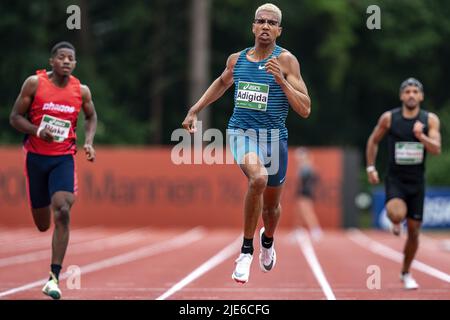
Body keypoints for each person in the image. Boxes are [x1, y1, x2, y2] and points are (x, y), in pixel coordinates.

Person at [182, 3, 311, 284]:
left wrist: (282, 81)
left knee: (271, 208)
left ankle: (268, 241)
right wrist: (194, 110)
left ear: (279, 30)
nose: (265, 26)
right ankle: (245, 250)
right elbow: (220, 82)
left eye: (271, 22)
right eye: (260, 21)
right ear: (253, 26)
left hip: (274, 138)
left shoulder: (287, 61)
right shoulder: (237, 60)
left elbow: (305, 109)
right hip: (241, 132)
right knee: (258, 179)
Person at [9, 41, 97, 299]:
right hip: (36, 158)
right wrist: (37, 130)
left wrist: (88, 142)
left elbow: (91, 116)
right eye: (62, 57)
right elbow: (14, 117)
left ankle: (54, 277)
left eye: (71, 58)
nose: (67, 62)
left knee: (63, 210)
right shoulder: (34, 84)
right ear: (52, 61)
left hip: (63, 158)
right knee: (42, 224)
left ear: (75, 63)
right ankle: (43, 210)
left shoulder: (81, 91)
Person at [366, 78, 441, 290]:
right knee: (397, 214)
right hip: (396, 179)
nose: (411, 95)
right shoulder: (390, 118)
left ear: (421, 97)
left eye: (415, 92)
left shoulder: (430, 120)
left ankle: (406, 272)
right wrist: (371, 168)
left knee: (415, 232)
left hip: (417, 182)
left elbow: (436, 149)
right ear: (401, 96)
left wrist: (421, 137)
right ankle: (396, 220)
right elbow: (373, 140)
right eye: (407, 91)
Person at [295, 147, 323, 241]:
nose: (298, 158)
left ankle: (316, 230)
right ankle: (299, 230)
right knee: (299, 212)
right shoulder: (305, 166)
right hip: (303, 191)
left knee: (307, 212)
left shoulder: (307, 166)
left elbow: (313, 176)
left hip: (306, 192)